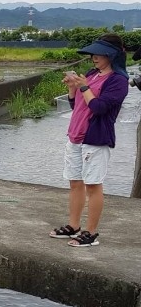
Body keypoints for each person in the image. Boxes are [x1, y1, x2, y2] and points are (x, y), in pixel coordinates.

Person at [52, 34, 129, 247]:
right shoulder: (92, 74)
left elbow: (99, 108)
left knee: (93, 185)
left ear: (112, 55)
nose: (94, 57)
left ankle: (91, 232)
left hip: (96, 139)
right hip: (75, 136)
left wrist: (84, 87)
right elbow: (76, 107)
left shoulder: (118, 81)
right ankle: (73, 226)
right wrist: (72, 88)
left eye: (100, 54)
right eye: (93, 53)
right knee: (75, 182)